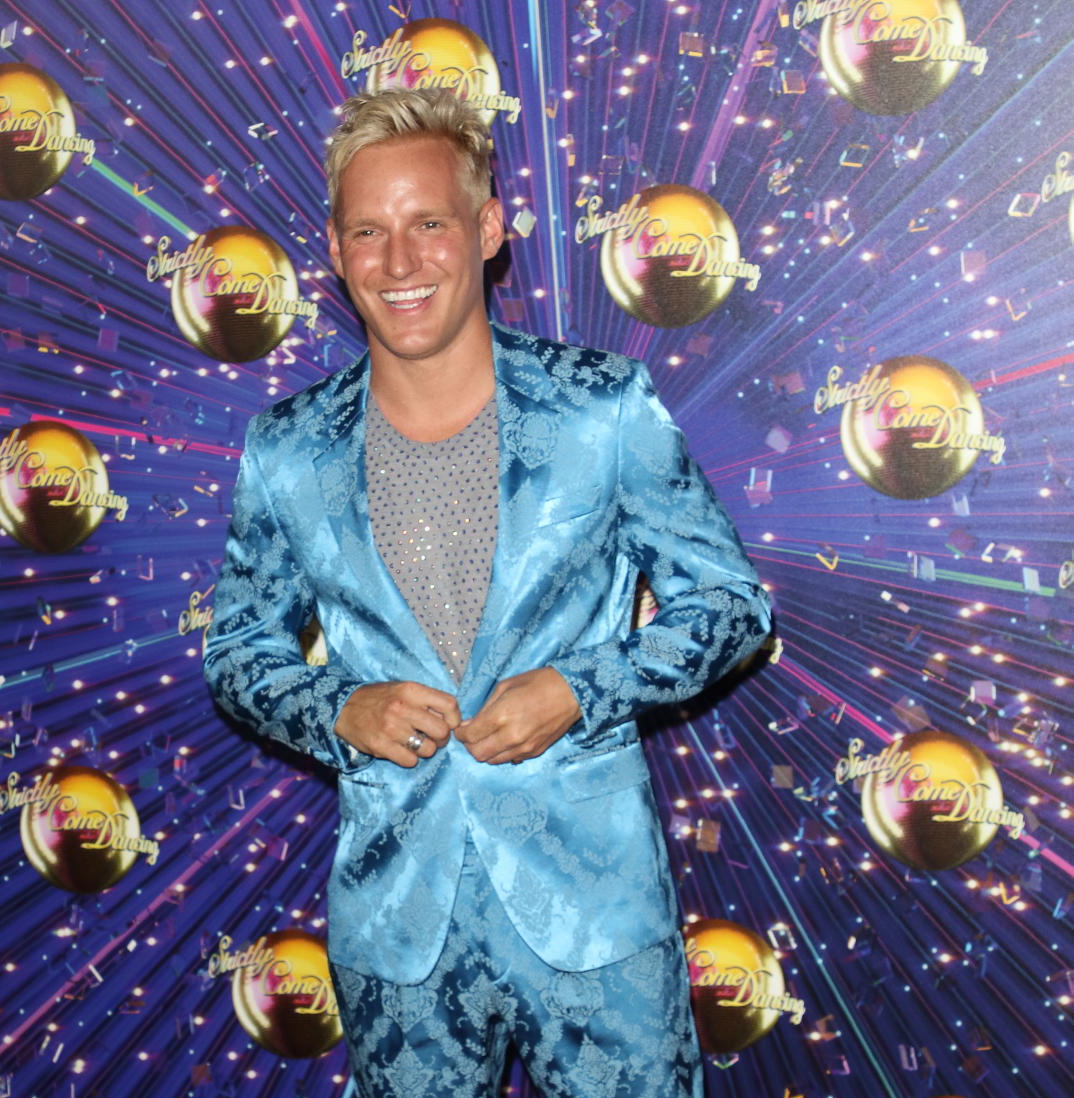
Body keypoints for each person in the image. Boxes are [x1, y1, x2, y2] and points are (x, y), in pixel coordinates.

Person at [204, 87, 771, 1098]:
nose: (402, 261)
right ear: (335, 250)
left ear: (490, 229)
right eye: (370, 232)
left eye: (430, 223)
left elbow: (730, 604)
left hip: (597, 922)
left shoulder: (602, 410)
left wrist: (581, 688)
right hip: (398, 932)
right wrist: (340, 707)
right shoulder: (287, 451)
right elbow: (239, 650)